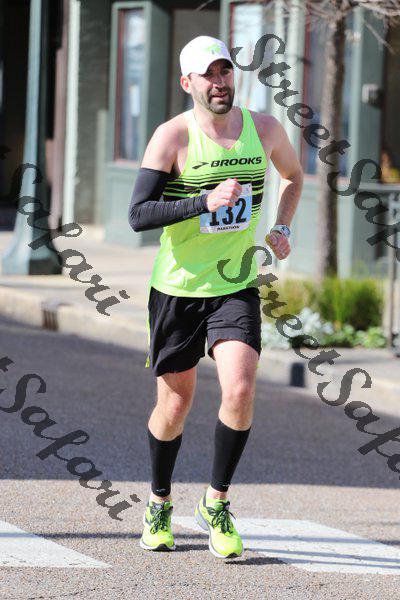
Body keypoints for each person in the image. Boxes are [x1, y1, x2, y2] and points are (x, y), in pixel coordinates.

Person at [128, 35, 303, 559]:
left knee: (241, 388)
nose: (219, 82)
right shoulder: (172, 136)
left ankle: (216, 502)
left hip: (236, 283)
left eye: (225, 71)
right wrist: (202, 201)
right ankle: (159, 502)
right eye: (208, 75)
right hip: (178, 288)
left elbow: (293, 177)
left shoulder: (264, 129)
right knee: (174, 404)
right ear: (188, 83)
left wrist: (281, 226)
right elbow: (138, 215)